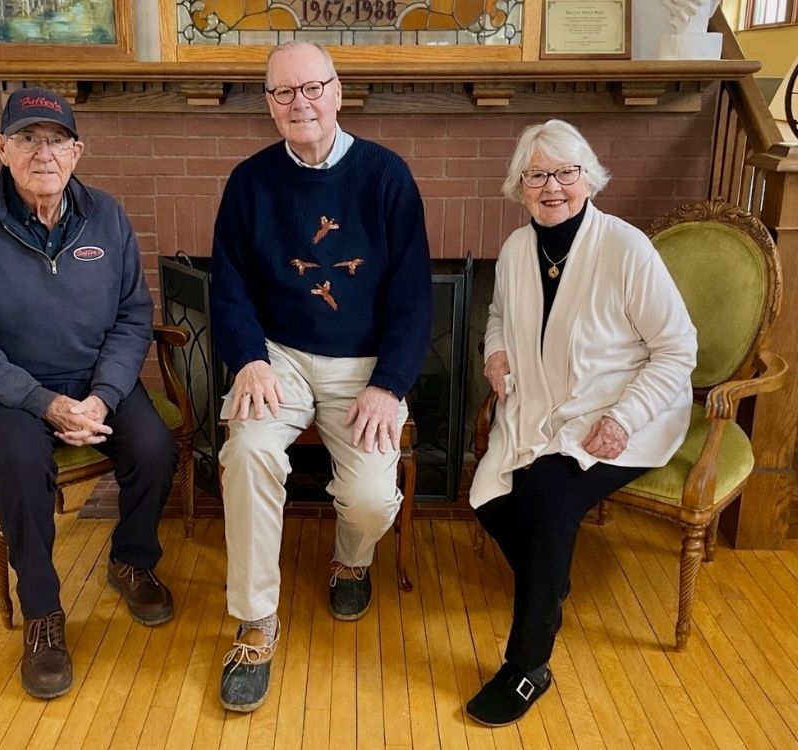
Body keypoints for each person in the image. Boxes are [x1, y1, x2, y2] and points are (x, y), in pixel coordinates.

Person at [0, 87, 178, 700]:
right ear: (1, 147)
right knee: (18, 465)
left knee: (154, 449)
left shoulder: (108, 216)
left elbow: (131, 315)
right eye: (28, 139)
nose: (44, 153)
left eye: (57, 140)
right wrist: (44, 402)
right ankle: (42, 613)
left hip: (96, 381)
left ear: (77, 152)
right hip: (13, 389)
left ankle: (131, 560)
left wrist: (103, 395)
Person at [210, 41, 432, 713]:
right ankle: (255, 621)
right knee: (246, 450)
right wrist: (248, 356)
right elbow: (227, 286)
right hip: (277, 356)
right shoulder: (250, 182)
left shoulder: (387, 177)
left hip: (363, 365)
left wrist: (390, 385)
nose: (299, 103)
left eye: (312, 88)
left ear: (339, 93)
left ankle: (351, 559)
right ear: (269, 105)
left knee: (371, 497)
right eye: (283, 93)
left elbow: (414, 297)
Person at [467, 119, 697, 726]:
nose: (552, 187)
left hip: (624, 412)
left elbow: (677, 348)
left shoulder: (626, 248)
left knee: (546, 490)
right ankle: (550, 581)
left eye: (565, 173)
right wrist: (495, 351)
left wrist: (625, 418)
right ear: (520, 186)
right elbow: (496, 314)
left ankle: (527, 665)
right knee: (488, 496)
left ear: (588, 177)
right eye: (536, 175)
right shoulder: (518, 249)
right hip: (542, 407)